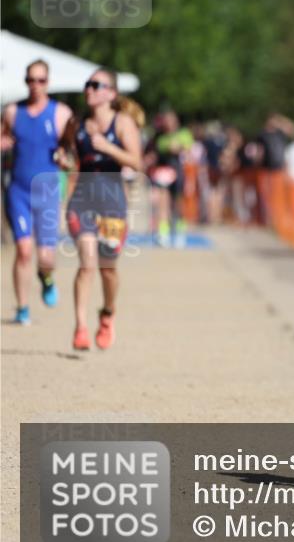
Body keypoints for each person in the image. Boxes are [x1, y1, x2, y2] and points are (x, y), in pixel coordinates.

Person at [59, 69, 143, 350]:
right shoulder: (77, 123)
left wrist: (107, 146)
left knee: (108, 269)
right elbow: (67, 153)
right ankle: (80, 327)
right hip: (82, 201)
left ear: (111, 93)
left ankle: (107, 313)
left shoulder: (123, 123)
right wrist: (64, 159)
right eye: (87, 85)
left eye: (96, 85)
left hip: (112, 204)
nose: (89, 90)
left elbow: (137, 162)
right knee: (87, 264)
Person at [1, 60, 73, 325]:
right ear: (25, 81)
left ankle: (46, 277)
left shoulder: (60, 113)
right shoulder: (11, 111)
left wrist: (66, 161)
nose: (35, 85)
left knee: (45, 257)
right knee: (23, 250)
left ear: (48, 82)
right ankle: (22, 308)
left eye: (41, 80)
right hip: (18, 190)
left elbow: (69, 150)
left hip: (47, 191)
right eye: (31, 80)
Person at [148, 110, 194, 247]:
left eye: (170, 120)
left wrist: (179, 148)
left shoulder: (183, 134)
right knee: (163, 203)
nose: (167, 123)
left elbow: (188, 150)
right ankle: (163, 233)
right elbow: (156, 151)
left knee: (177, 204)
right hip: (162, 172)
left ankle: (180, 232)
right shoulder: (159, 136)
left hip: (178, 171)